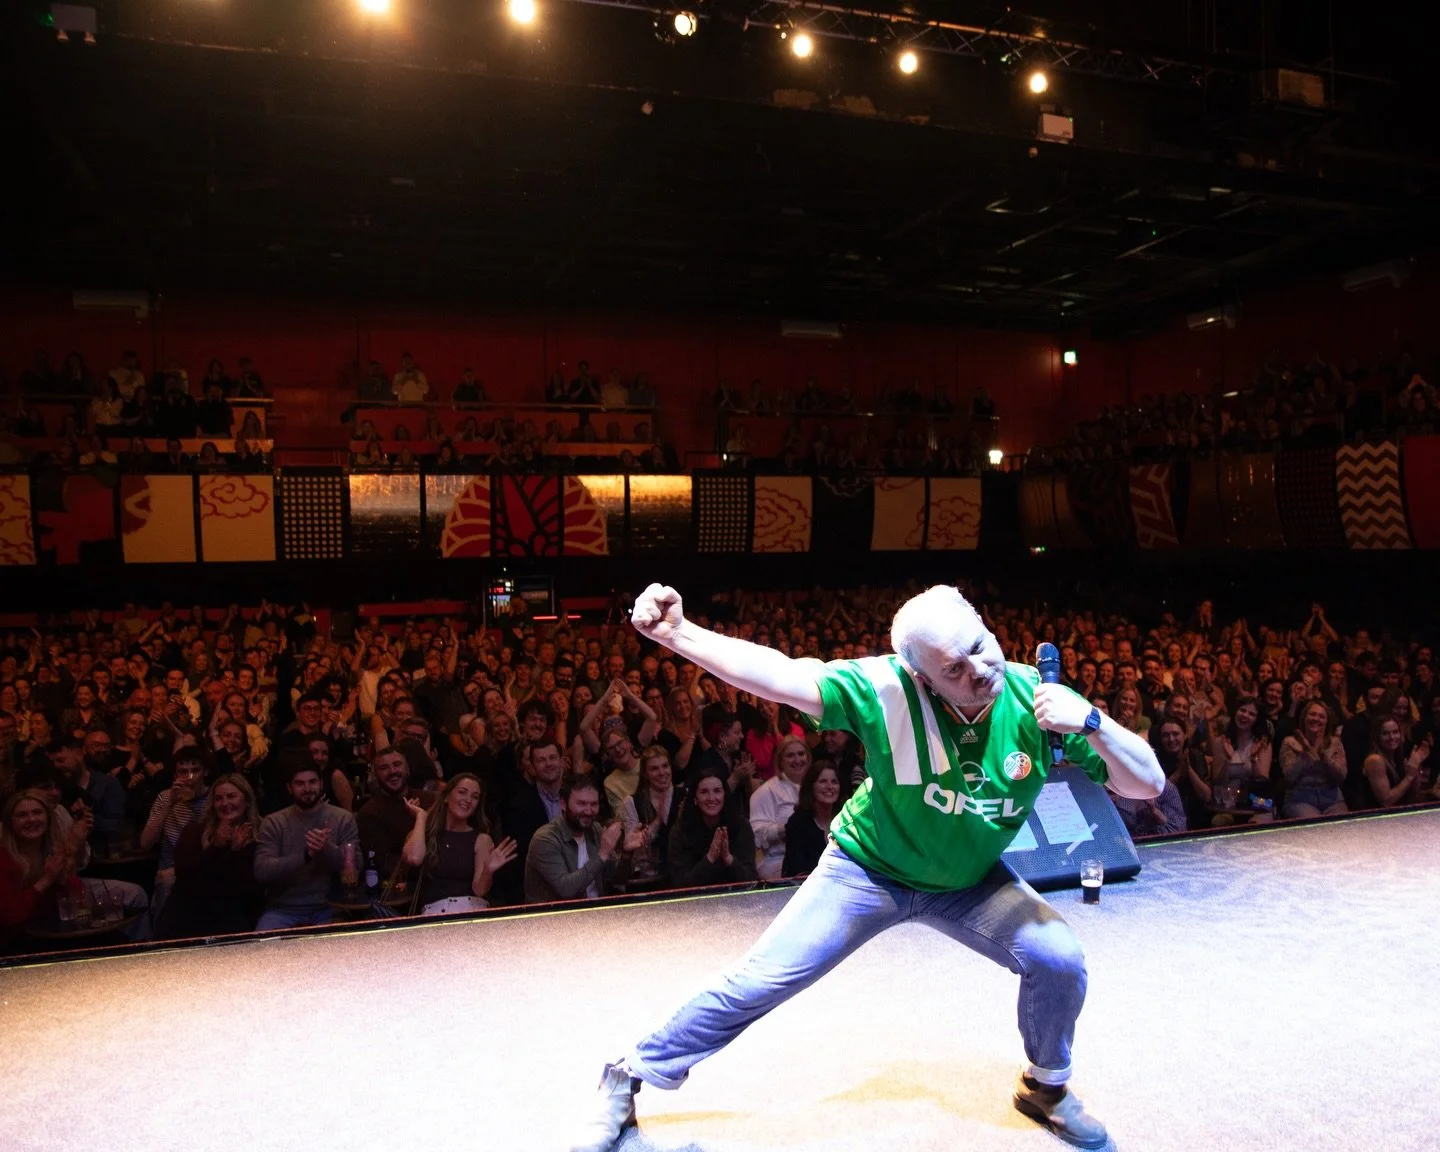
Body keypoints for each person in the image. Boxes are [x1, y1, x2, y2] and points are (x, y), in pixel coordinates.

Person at [570, 582, 1164, 1152]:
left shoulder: (1039, 700)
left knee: (1059, 958)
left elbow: (1147, 784)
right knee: (761, 979)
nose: (979, 671)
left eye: (980, 647)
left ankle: (1045, 1088)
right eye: (953, 669)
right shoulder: (883, 688)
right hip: (867, 869)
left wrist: (1093, 722)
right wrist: (678, 634)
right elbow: (780, 674)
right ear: (920, 676)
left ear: (985, 626)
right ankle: (627, 1075)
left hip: (969, 879)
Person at [154, 774, 265, 939]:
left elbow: (250, 890)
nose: (225, 803)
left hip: (234, 913)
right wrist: (217, 847)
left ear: (247, 800)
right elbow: (186, 877)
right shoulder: (195, 831)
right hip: (190, 911)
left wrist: (235, 853)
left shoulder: (262, 833)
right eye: (218, 799)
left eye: (231, 796)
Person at [253, 762, 360, 931]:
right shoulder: (273, 822)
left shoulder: (343, 818)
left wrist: (327, 848)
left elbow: (357, 866)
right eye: (300, 784)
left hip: (331, 908)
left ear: (321, 784)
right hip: (283, 910)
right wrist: (305, 856)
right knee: (260, 943)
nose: (307, 788)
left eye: (312, 782)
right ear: (289, 788)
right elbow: (262, 871)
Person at [401, 773, 516, 915]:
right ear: (446, 797)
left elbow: (479, 890)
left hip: (471, 912)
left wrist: (488, 870)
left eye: (475, 797)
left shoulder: (481, 839)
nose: (468, 800)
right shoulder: (422, 833)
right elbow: (414, 858)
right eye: (462, 792)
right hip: (434, 915)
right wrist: (421, 817)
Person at [523, 774, 644, 904]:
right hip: (557, 914)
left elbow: (616, 880)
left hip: (596, 911)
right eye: (581, 804)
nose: (588, 811)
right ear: (563, 804)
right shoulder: (545, 839)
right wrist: (602, 854)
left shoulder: (595, 829)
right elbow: (566, 890)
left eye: (594, 804)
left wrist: (626, 853)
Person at [356, 747, 436, 890]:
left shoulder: (430, 800)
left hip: (438, 881)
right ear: (375, 775)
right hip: (400, 889)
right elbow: (384, 864)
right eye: (384, 768)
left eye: (397, 764)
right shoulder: (370, 812)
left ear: (407, 769)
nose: (392, 771)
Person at [667, 765, 759, 888]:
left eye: (717, 791)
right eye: (704, 792)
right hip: (697, 899)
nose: (711, 798)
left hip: (734, 896)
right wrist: (709, 858)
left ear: (725, 795)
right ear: (695, 799)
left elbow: (751, 880)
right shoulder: (679, 831)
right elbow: (680, 884)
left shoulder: (741, 825)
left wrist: (729, 859)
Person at [748, 734, 811, 881]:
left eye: (801, 754)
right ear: (780, 761)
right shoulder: (767, 791)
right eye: (790, 755)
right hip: (777, 864)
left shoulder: (814, 787)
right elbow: (756, 833)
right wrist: (788, 828)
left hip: (811, 860)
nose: (797, 760)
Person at [1279, 701, 1348, 819]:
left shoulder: (1335, 743)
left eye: (1321, 716)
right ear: (1304, 718)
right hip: (1300, 798)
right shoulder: (1290, 742)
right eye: (1312, 714)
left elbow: (1341, 776)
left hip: (1332, 798)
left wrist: (1324, 755)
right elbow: (1290, 777)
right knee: (1315, 824)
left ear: (1327, 722)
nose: (1316, 719)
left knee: (1343, 824)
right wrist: (1307, 751)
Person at [780, 758, 844, 878]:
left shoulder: (846, 821)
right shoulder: (797, 823)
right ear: (811, 786)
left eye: (834, 782)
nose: (830, 786)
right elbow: (796, 870)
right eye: (823, 781)